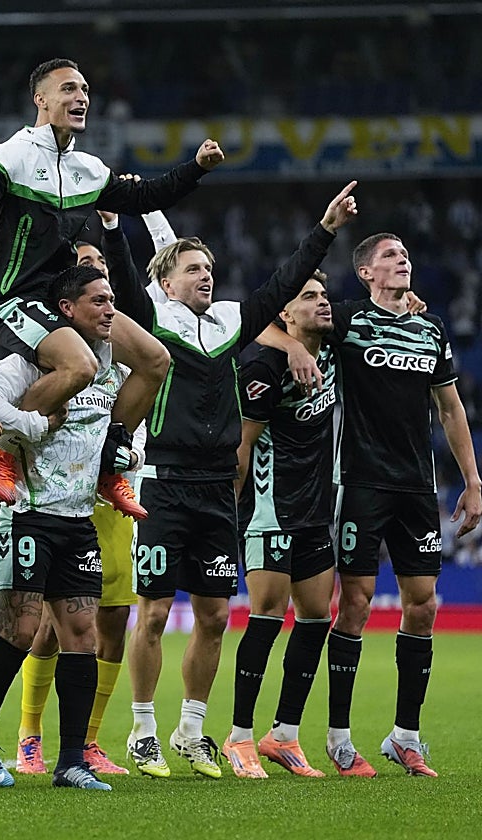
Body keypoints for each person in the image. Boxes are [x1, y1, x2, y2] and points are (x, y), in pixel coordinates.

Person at [105, 182, 359, 779]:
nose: (206, 277)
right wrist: (114, 229)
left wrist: (325, 229)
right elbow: (124, 286)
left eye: (209, 269)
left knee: (216, 615)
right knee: (154, 613)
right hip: (163, 483)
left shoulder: (227, 322)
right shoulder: (155, 320)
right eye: (193, 269)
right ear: (167, 283)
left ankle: (192, 729)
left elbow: (281, 283)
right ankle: (142, 728)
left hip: (218, 489)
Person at [0, 57, 219, 512]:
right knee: (82, 366)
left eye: (85, 90)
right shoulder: (8, 156)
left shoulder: (88, 169)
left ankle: (110, 462)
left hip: (65, 298)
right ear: (41, 99)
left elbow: (144, 197)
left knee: (155, 360)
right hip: (15, 299)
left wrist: (196, 167)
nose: (81, 98)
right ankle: (0, 447)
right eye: (69, 89)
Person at [0, 262, 152, 792]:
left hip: (78, 517)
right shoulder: (31, 361)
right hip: (27, 513)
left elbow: (139, 405)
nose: (110, 310)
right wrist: (31, 423)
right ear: (66, 309)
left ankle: (71, 762)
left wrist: (125, 456)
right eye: (98, 301)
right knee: (20, 631)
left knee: (82, 636)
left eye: (112, 300)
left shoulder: (110, 365)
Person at [16, 207, 174, 779]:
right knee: (53, 625)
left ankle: (86, 741)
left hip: (112, 496)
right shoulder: (49, 349)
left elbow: (149, 373)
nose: (103, 286)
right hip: (58, 496)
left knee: (111, 621)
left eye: (105, 275)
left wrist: (124, 454)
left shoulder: (121, 348)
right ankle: (30, 734)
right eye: (89, 273)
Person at [318, 233, 481, 777]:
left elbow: (451, 410)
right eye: (391, 255)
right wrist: (294, 347)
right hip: (360, 481)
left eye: (406, 254)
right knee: (356, 603)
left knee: (424, 605)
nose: (403, 260)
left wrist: (473, 480)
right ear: (366, 271)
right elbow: (275, 317)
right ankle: (339, 738)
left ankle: (405, 736)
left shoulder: (430, 328)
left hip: (415, 486)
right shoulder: (345, 319)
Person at [219, 272, 338, 779]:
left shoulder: (332, 349)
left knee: (315, 618)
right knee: (267, 615)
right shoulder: (263, 368)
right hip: (269, 511)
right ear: (285, 313)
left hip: (315, 511)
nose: (323, 302)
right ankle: (239, 735)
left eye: (324, 295)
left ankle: (284, 735)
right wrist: (230, 514)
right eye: (309, 297)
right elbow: (242, 447)